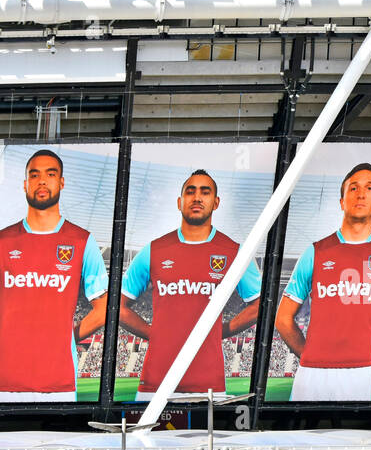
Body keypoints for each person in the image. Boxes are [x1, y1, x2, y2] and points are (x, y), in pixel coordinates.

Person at [79, 170, 261, 399]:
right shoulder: (153, 250)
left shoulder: (235, 252)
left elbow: (260, 305)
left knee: (206, 436)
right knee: (144, 436)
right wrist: (152, 333)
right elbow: (117, 307)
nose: (197, 198)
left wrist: (219, 332)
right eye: (190, 191)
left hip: (208, 383)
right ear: (179, 202)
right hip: (154, 381)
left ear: (216, 202)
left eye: (205, 192)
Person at [0, 148, 108, 401]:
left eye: (50, 174)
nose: (42, 180)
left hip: (60, 385)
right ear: (25, 184)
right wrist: (3, 339)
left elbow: (104, 308)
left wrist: (66, 339)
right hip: (3, 385)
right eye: (34, 175)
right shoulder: (0, 242)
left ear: (61, 182)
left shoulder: (82, 241)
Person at [274, 163, 371, 401]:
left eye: (369, 188)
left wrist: (369, 351)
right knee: (300, 437)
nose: (360, 194)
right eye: (353, 188)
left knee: (353, 437)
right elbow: (283, 318)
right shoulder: (315, 252)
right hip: (311, 372)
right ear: (342, 201)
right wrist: (307, 354)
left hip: (360, 372)